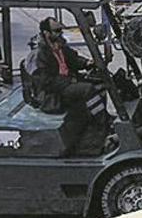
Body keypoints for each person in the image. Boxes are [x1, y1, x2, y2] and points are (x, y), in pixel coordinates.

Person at [25, 17, 109, 154]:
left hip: (66, 83)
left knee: (100, 82)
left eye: (61, 30)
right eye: (57, 31)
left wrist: (87, 63)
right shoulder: (39, 54)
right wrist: (70, 82)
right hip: (52, 93)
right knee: (87, 89)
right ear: (46, 33)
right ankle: (101, 124)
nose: (60, 33)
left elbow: (73, 59)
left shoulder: (59, 45)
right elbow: (45, 82)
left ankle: (97, 119)